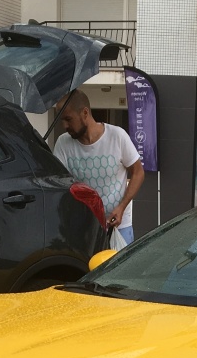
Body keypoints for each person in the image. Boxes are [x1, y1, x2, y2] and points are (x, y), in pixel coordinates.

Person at [54, 90, 145, 243]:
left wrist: (121, 207)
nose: (64, 125)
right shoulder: (63, 144)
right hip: (84, 229)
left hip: (119, 227)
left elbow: (138, 172)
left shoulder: (117, 136)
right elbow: (57, 184)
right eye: (62, 120)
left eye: (68, 119)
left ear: (85, 113)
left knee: (121, 267)